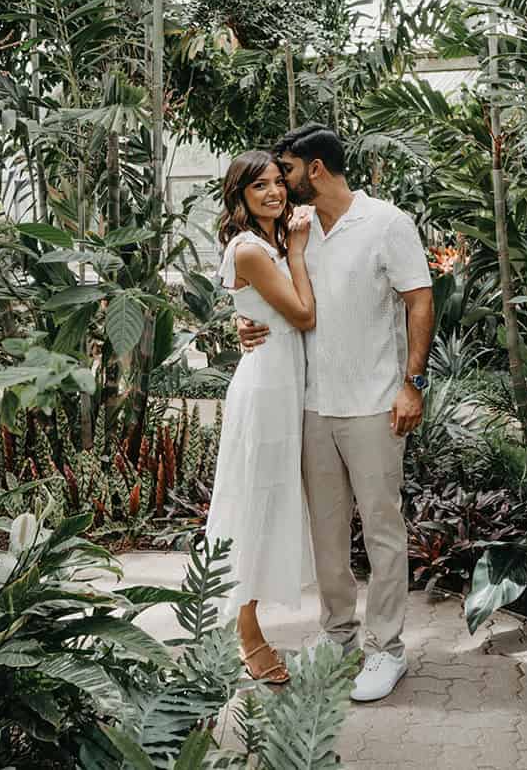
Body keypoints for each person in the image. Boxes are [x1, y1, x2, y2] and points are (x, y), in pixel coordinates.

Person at [237, 123, 435, 703]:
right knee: (326, 533)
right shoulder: (292, 231)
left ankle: (387, 650)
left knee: (382, 529)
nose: (281, 183)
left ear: (315, 169)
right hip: (310, 405)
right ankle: (339, 637)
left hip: (374, 404)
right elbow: (267, 295)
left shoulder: (387, 224)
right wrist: (241, 324)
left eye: (288, 171)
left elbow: (419, 300)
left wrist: (412, 385)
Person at [205, 149, 317, 684]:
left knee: (272, 500)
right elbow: (301, 313)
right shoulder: (251, 248)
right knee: (254, 503)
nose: (274, 192)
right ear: (240, 197)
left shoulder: (272, 240)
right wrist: (295, 250)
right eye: (260, 187)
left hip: (284, 380)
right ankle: (246, 633)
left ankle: (252, 622)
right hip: (266, 386)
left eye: (278, 182)